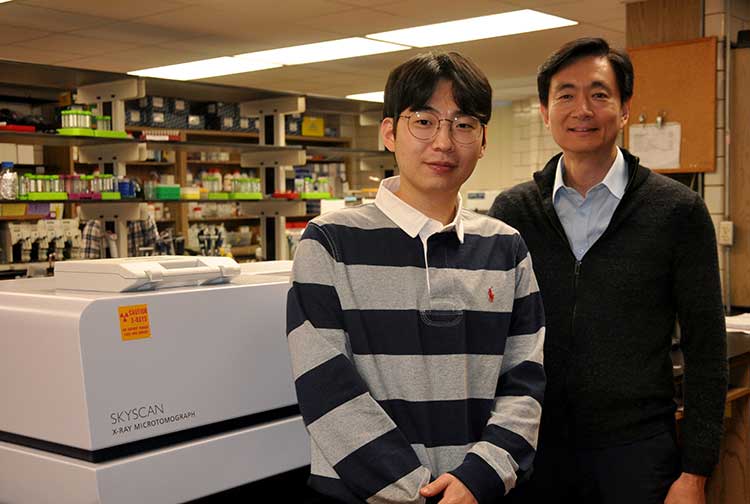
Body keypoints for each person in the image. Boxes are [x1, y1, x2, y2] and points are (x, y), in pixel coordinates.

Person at [286, 51, 545, 504]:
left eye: (463, 125)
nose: (443, 142)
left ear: (483, 140)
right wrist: (416, 493)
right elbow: (323, 384)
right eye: (423, 121)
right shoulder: (329, 241)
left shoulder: (506, 248)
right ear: (389, 132)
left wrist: (479, 477)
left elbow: (525, 381)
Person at [490, 38, 727, 504]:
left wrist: (696, 472)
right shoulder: (512, 211)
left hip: (637, 454)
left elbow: (706, 347)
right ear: (544, 110)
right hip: (534, 452)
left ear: (623, 110)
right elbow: (493, 337)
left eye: (599, 94)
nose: (582, 109)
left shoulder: (677, 211)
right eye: (565, 95)